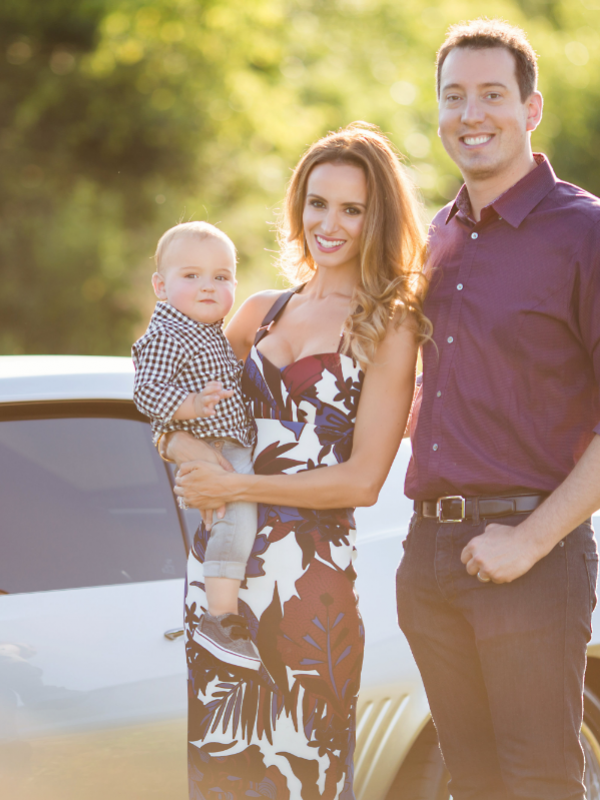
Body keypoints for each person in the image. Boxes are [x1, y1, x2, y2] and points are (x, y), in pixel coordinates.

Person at [167, 124, 430, 799]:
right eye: (318, 203)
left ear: (379, 219)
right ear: (297, 205)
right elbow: (172, 409)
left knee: (299, 774)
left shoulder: (389, 322)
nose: (330, 223)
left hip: (308, 587)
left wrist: (236, 481)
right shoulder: (256, 311)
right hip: (220, 582)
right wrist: (184, 450)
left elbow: (364, 479)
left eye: (352, 208)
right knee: (221, 771)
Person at [397, 19, 600, 800]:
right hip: (428, 560)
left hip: (531, 556)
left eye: (491, 95)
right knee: (472, 785)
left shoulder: (582, 233)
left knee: (541, 781)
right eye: (454, 97)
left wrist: (532, 540)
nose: (470, 113)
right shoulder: (435, 238)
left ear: (530, 108)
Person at [131, 221, 260, 670]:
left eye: (221, 277)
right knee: (234, 518)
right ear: (160, 286)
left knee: (234, 517)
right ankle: (220, 617)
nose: (208, 286)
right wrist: (188, 405)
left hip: (228, 441)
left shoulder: (210, 330)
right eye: (192, 276)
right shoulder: (169, 332)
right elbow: (146, 392)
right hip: (214, 442)